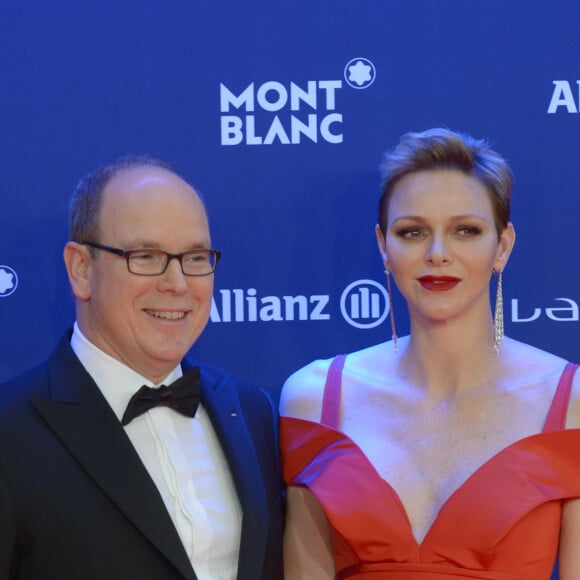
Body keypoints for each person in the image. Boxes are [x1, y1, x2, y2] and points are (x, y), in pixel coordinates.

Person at [279, 128, 580, 579]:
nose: (438, 254)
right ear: (384, 246)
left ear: (502, 246)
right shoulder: (314, 399)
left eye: (465, 230)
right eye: (413, 231)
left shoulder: (571, 401)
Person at [0, 156, 284, 580]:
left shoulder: (251, 409)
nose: (178, 283)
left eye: (195, 257)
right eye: (146, 256)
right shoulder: (10, 430)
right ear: (81, 270)